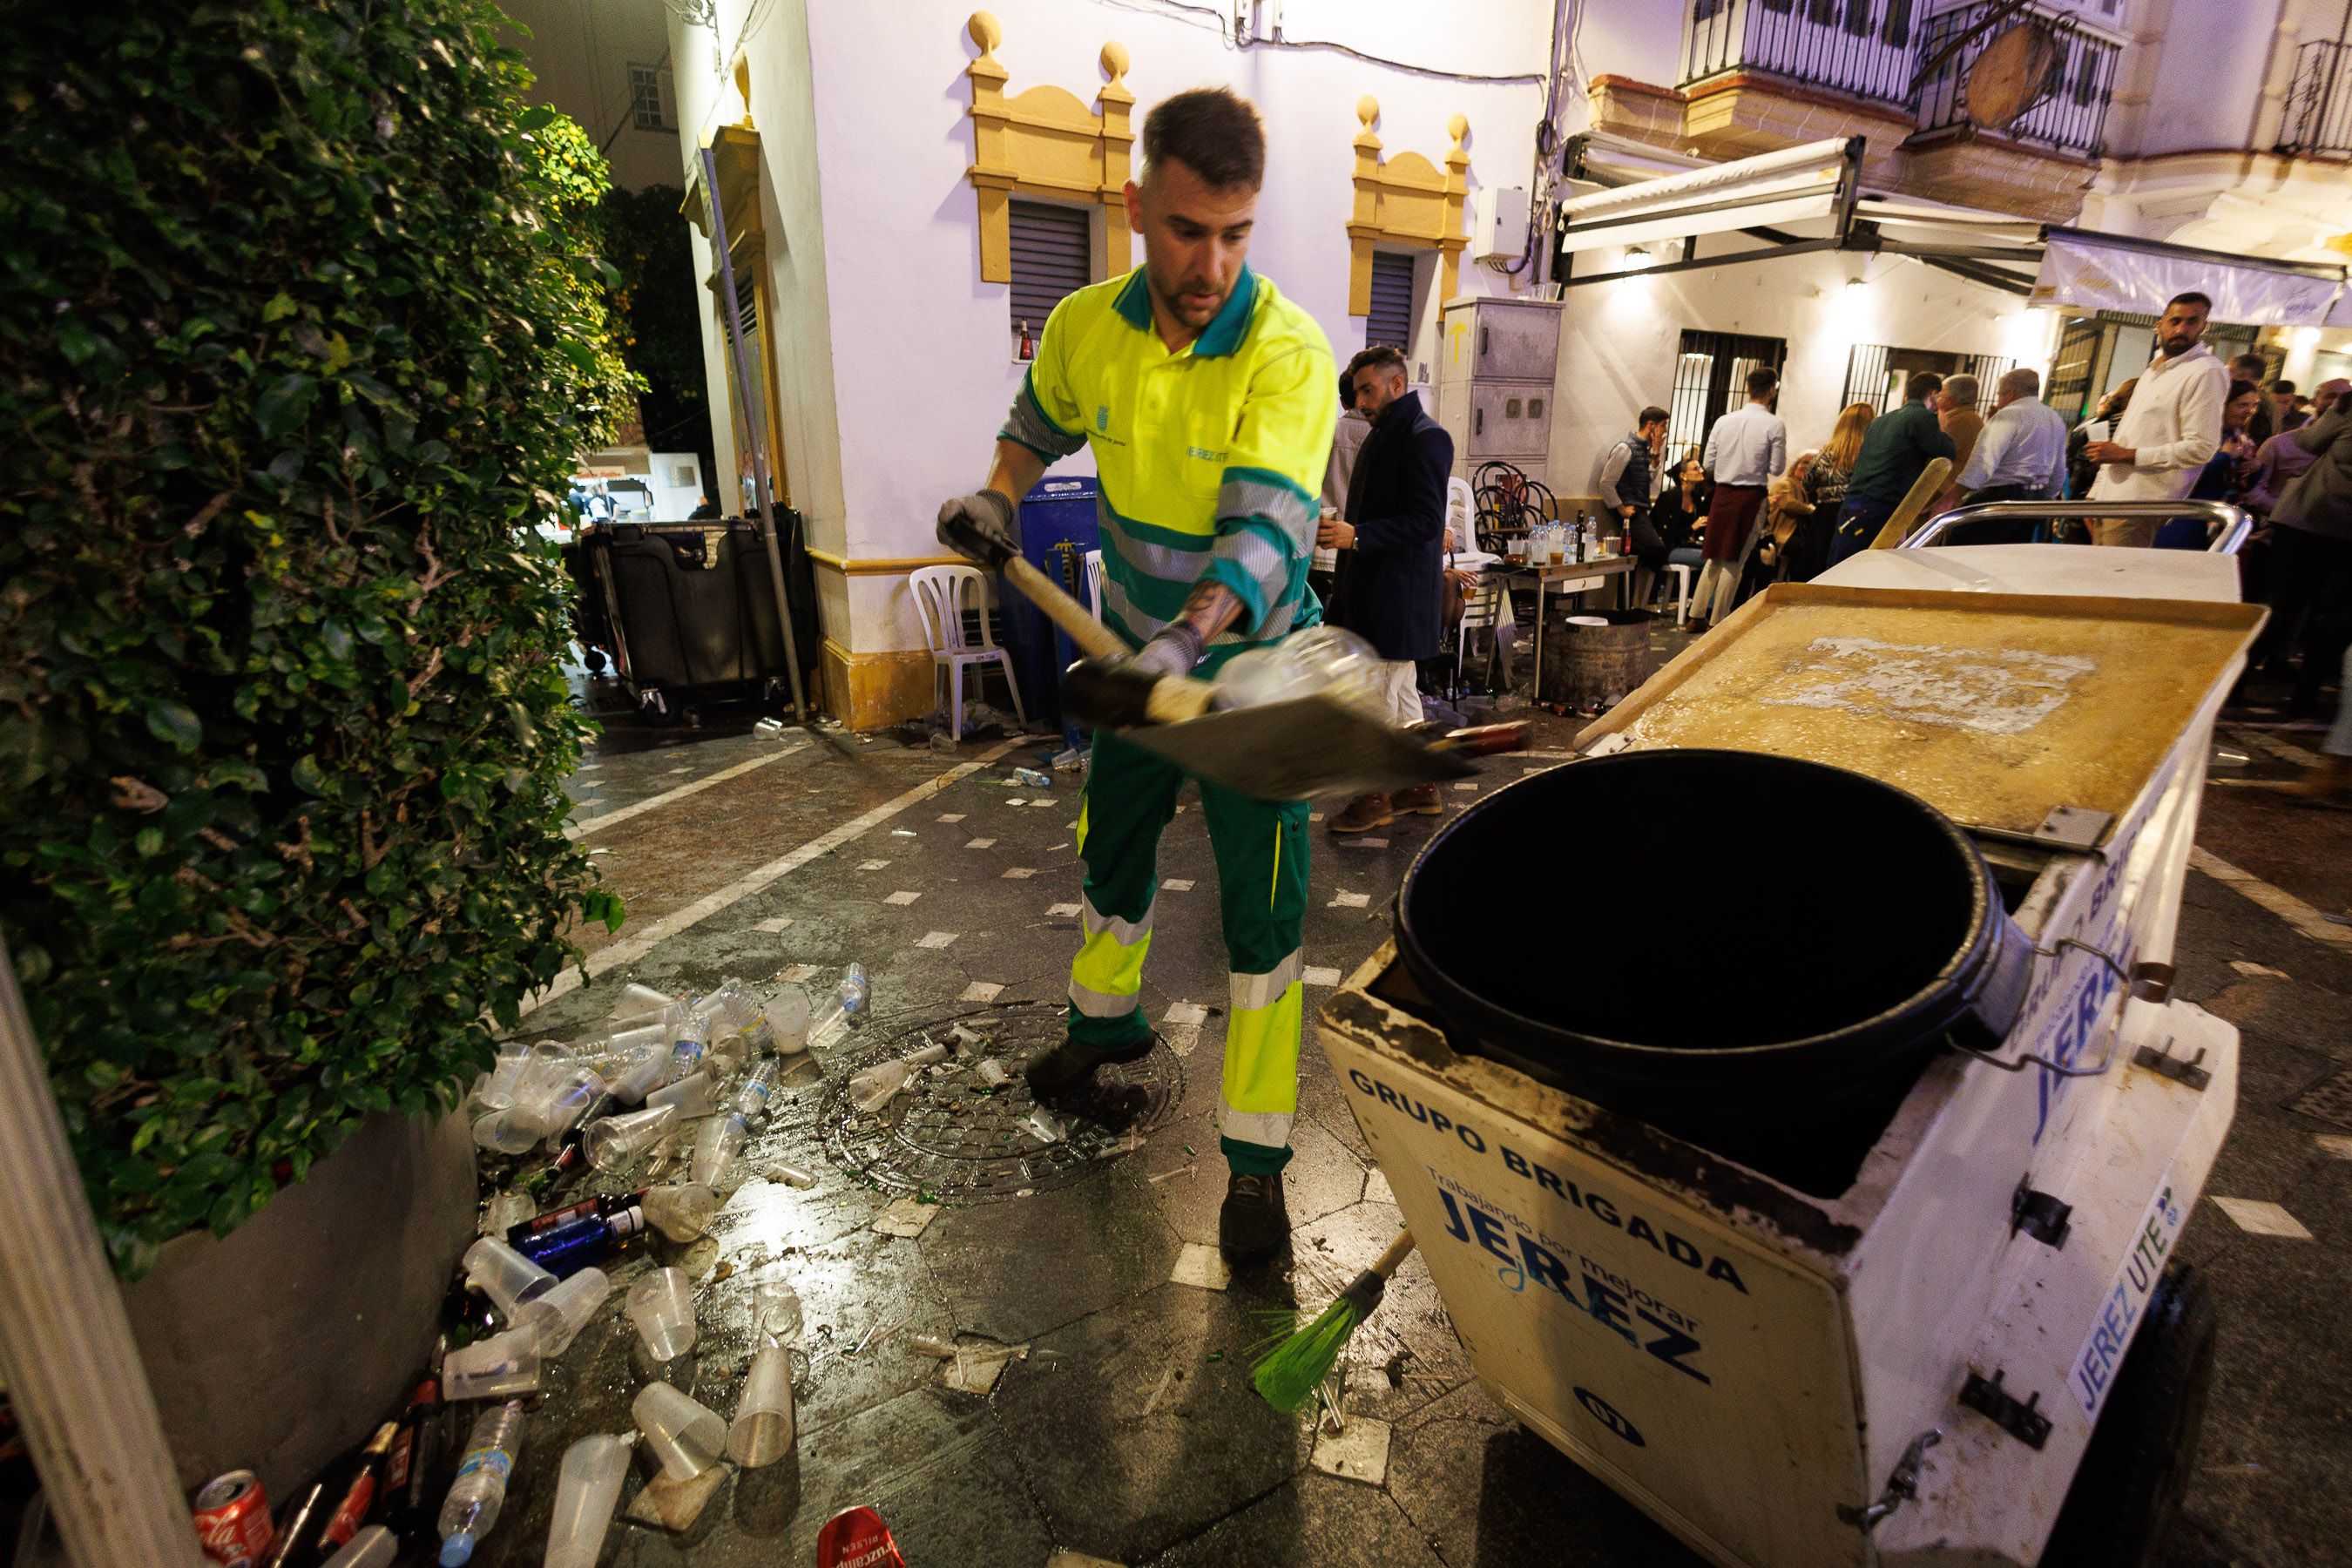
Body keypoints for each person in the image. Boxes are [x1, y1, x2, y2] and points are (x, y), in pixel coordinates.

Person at [933, 87, 1333, 1260]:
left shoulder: (1288, 352)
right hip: (1135, 655)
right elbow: (1037, 422)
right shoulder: (1082, 327)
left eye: (1236, 233)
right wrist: (999, 492)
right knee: (1112, 853)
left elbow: (1264, 534)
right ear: (1135, 208)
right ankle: (1102, 1031)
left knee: (1265, 919)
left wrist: (1182, 641)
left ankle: (1256, 1163)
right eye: (1186, 231)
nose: (1211, 263)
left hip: (1251, 679)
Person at [1320, 343, 1453, 834]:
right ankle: (1418, 787)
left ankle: (1374, 797)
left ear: (1398, 384)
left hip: (1397, 599)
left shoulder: (1425, 437)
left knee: (1375, 696)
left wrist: (1359, 535)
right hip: (1375, 591)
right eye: (1356, 393)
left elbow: (1424, 521)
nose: (1360, 402)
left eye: (1368, 390)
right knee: (1399, 694)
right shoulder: (1385, 434)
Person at [2085, 293, 2227, 547]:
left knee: (2116, 583)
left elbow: (2202, 448)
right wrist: (2096, 493)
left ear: (2204, 326)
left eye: (2191, 322)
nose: (2181, 329)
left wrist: (2128, 455)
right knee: (2100, 581)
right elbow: (2125, 437)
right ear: (2160, 324)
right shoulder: (2154, 370)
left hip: (2140, 502)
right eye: (2175, 321)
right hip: (2113, 497)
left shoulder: (2206, 372)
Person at [2261, 380, 2352, 718]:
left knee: (2281, 604)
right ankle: (2305, 696)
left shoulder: (2346, 407)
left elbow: (2309, 442)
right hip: (2330, 528)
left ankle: (2234, 683)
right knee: (2334, 615)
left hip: (2307, 519)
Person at [1691, 367, 1786, 631]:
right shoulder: (1774, 424)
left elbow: (1708, 462)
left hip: (1721, 495)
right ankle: (1718, 621)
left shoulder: (1723, 421)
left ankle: (1696, 614)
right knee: (1735, 560)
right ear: (1771, 391)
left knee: (1714, 555)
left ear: (1747, 388)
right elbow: (1777, 468)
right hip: (1750, 497)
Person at [1828, 371, 1955, 567]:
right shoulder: (1921, 416)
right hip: (1882, 504)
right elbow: (1946, 452)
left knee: (1842, 562)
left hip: (1853, 503)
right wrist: (1943, 423)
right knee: (1869, 567)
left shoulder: (1880, 420)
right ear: (1933, 395)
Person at [1948, 367, 2070, 542]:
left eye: (1999, 395)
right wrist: (2045, 497)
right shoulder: (2054, 418)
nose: (1998, 402)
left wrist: (1952, 496)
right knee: (2009, 555)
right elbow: (2059, 471)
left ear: (2010, 393)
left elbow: (1982, 463)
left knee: (1963, 547)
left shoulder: (2009, 415)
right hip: (2033, 501)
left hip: (2001, 497)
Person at [1784, 402, 1873, 581]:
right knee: (1845, 566)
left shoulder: (1825, 453)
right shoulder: (1870, 454)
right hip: (1856, 513)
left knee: (1816, 565)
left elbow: (1808, 483)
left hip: (1825, 514)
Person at [1315, 365, 1375, 605]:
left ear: (1342, 401)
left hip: (1320, 549)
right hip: (1363, 551)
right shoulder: (1382, 437)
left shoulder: (1326, 432)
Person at [1599, 405, 1670, 605]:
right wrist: (1620, 507)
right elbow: (1606, 482)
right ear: (1651, 425)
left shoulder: (1645, 450)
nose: (1664, 432)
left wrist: (1656, 453)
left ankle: (1627, 606)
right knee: (1656, 549)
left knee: (1633, 559)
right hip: (1631, 511)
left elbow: (1648, 478)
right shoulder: (1625, 448)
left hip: (1640, 508)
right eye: (1663, 427)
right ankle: (1650, 595)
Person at [2246, 377, 2347, 516]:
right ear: (2313, 401)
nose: (2337, 403)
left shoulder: (2346, 452)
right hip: (2278, 525)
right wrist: (2284, 514)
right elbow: (2252, 488)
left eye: (2346, 398)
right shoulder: (2280, 443)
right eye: (2331, 396)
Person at [1755, 449, 1815, 590]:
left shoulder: (1803, 488)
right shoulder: (1785, 483)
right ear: (1795, 464)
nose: (1805, 467)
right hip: (1779, 533)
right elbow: (1788, 504)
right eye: (1804, 462)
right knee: (1803, 551)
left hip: (1793, 533)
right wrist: (1811, 509)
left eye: (1810, 464)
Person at [1929, 374, 1984, 515]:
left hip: (1945, 492)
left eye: (1942, 394)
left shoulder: (1960, 421)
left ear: (1951, 399)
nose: (1938, 399)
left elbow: (1939, 454)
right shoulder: (1971, 418)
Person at [2230, 353, 2274, 447]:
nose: (2227, 378)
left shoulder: (2261, 406)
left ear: (2241, 376)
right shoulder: (2266, 403)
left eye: (2230, 373)